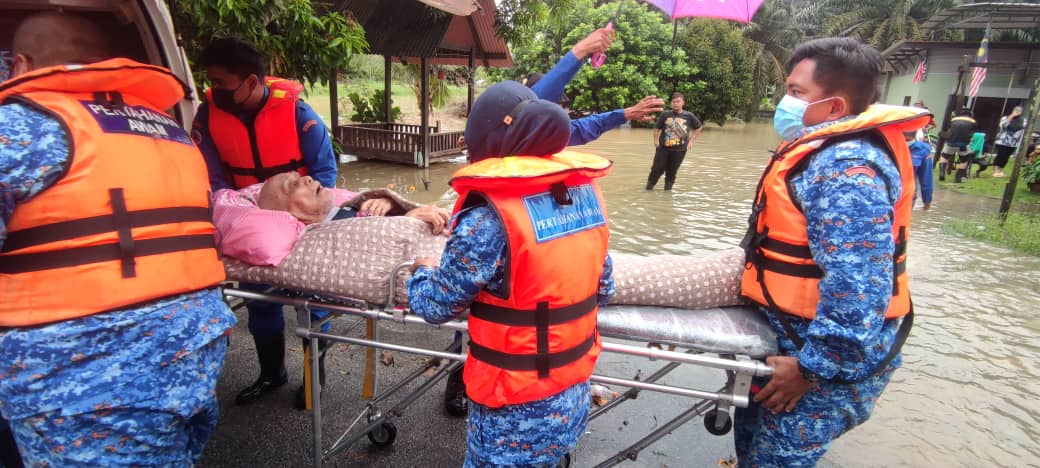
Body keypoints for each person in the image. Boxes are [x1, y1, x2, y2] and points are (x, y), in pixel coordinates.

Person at [0, 12, 235, 466]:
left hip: (87, 381)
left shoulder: (19, 129)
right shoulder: (169, 131)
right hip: (192, 354)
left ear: (22, 64)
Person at [738, 37, 927, 466]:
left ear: (836, 108)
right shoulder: (819, 152)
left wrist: (812, 369)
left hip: (815, 366)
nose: (785, 101)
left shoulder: (846, 169)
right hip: (788, 343)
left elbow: (860, 287)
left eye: (797, 93)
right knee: (752, 452)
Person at [407, 81, 614, 467]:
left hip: (514, 408)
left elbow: (436, 305)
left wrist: (418, 274)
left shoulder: (487, 216)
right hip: (573, 392)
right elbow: (605, 285)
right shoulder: (585, 193)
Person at [191, 37, 339, 407]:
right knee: (260, 304)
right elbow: (213, 178)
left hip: (301, 224)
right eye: (212, 83)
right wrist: (239, 216)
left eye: (222, 84)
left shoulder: (299, 116)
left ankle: (313, 379)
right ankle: (271, 373)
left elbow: (325, 172)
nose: (215, 91)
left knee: (314, 304)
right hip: (251, 223)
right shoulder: (208, 117)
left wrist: (306, 221)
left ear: (251, 82)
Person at [524, 28, 665, 146]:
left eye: (560, 104)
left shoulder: (553, 132)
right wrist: (581, 50)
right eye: (554, 102)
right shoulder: (510, 123)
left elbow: (588, 126)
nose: (559, 108)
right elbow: (531, 108)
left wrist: (626, 113)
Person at [646, 92, 702, 190]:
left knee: (672, 172)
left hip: (679, 150)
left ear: (683, 103)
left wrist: (691, 141)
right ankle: (648, 189)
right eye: (673, 102)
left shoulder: (689, 116)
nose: (675, 104)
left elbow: (698, 127)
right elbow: (657, 128)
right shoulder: (665, 114)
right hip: (663, 148)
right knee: (656, 170)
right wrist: (655, 141)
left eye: (678, 101)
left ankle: (667, 194)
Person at [939, 108, 976, 182]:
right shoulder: (973, 122)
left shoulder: (953, 120)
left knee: (944, 156)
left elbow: (949, 131)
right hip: (963, 144)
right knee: (964, 160)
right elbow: (972, 134)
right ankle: (958, 178)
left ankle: (942, 174)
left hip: (950, 142)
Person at [991, 106, 1028, 177]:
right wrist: (1011, 116)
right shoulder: (1005, 118)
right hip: (1002, 141)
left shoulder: (1023, 120)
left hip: (1013, 143)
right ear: (1013, 110)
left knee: (1006, 157)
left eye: (1019, 110)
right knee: (1000, 156)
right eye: (1016, 110)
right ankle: (995, 171)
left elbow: (1023, 126)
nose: (1018, 112)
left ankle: (1000, 171)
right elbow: (1003, 125)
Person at [907, 131, 934, 210]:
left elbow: (926, 177)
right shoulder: (887, 145)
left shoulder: (923, 149)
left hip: (908, 193)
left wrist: (927, 200)